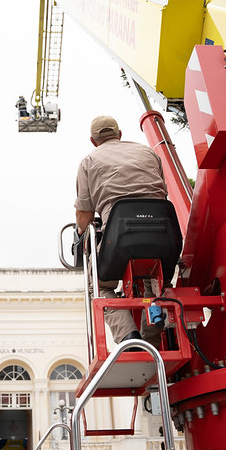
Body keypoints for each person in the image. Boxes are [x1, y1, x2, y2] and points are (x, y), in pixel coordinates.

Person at [74, 115, 168, 348]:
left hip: (120, 238)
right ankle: (152, 341)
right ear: (120, 134)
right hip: (164, 234)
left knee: (98, 284)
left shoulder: (89, 161)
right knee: (151, 284)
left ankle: (129, 337)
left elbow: (84, 214)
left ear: (93, 140)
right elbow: (162, 194)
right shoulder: (149, 153)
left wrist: (82, 236)